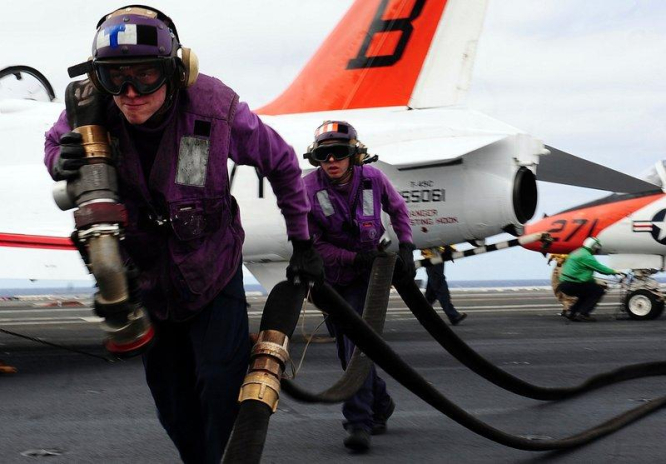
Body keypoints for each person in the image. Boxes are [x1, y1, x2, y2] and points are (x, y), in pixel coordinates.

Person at [44, 6, 322, 463]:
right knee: (174, 407)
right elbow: (54, 144)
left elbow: (283, 163)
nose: (130, 93)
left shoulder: (216, 109)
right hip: (148, 282)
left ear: (176, 71)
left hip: (211, 275)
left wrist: (303, 240)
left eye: (146, 76)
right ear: (98, 78)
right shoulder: (90, 108)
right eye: (116, 78)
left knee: (221, 388)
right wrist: (60, 160)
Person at [303, 120, 416, 452]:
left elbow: (398, 210)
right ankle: (380, 403)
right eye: (324, 155)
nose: (331, 161)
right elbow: (314, 245)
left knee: (356, 349)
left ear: (354, 154)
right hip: (333, 279)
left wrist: (407, 246)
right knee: (347, 353)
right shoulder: (308, 189)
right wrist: (354, 258)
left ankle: (358, 423)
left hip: (366, 280)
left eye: (339, 153)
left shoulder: (374, 179)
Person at [557, 237, 622, 322]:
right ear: (593, 247)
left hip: (564, 284)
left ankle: (571, 312)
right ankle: (583, 314)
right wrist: (614, 272)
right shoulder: (586, 256)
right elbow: (601, 269)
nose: (597, 250)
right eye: (597, 248)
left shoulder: (578, 252)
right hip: (572, 284)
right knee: (598, 290)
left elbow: (583, 275)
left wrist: (594, 282)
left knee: (586, 293)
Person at [422, 247, 467, 325]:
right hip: (433, 257)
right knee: (440, 288)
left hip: (436, 256)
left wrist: (449, 248)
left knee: (432, 292)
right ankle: (453, 316)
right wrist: (449, 248)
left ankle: (423, 313)